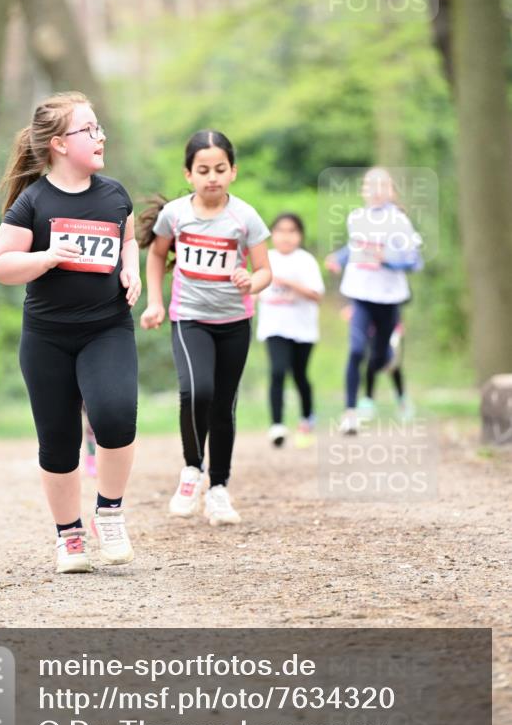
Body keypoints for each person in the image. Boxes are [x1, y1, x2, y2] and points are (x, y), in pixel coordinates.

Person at [0, 92, 141, 573]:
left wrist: (131, 270)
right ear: (58, 143)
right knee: (57, 441)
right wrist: (47, 257)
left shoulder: (115, 194)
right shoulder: (34, 202)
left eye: (99, 128)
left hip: (107, 329)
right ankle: (69, 537)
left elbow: (130, 238)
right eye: (89, 130)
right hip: (48, 338)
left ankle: (110, 514)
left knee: (115, 416)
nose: (100, 137)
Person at [139, 130, 271, 526]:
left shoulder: (244, 217)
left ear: (233, 171)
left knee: (223, 406)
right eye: (203, 170)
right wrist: (156, 302)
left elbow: (265, 270)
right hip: (189, 317)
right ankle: (192, 471)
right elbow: (157, 254)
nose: (212, 176)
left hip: (234, 321)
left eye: (220, 169)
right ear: (188, 174)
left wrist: (252, 281)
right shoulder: (176, 214)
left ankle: (218, 490)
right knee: (198, 391)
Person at [325, 167, 422, 435]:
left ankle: (388, 357)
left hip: (389, 299)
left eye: (382, 185)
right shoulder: (356, 218)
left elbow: (415, 261)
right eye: (370, 185)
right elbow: (355, 247)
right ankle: (350, 413)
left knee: (379, 358)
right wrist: (339, 258)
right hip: (360, 294)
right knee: (356, 350)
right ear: (363, 191)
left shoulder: (399, 222)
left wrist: (388, 261)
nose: (376, 190)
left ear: (391, 191)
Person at [256, 213, 324, 449]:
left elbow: (317, 295)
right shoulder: (265, 258)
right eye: (281, 230)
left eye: (292, 231)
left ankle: (306, 420)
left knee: (300, 376)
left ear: (300, 235)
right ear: (272, 234)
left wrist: (287, 282)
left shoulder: (305, 261)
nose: (286, 236)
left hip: (303, 329)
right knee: (277, 371)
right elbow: (254, 290)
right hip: (274, 327)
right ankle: (277, 425)